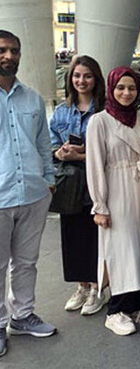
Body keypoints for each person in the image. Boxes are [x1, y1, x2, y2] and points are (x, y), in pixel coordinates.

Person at [86, 67, 140, 336]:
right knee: (123, 250)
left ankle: (138, 304)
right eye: (120, 87)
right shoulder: (100, 121)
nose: (126, 93)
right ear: (111, 89)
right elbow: (96, 164)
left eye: (131, 88)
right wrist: (100, 205)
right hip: (117, 190)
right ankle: (116, 310)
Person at [0, 29, 57, 357]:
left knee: (26, 262)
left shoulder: (33, 98)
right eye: (3, 50)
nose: (9, 56)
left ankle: (22, 316)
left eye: (15, 51)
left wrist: (48, 181)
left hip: (34, 194)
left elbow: (43, 144)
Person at [48, 55, 110, 316]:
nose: (81, 80)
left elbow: (111, 151)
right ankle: (82, 285)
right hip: (70, 182)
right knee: (72, 236)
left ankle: (98, 288)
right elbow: (49, 144)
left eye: (86, 75)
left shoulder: (105, 110)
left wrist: (83, 155)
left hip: (97, 180)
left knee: (94, 235)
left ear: (95, 78)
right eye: (77, 75)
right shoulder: (62, 111)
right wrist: (59, 153)